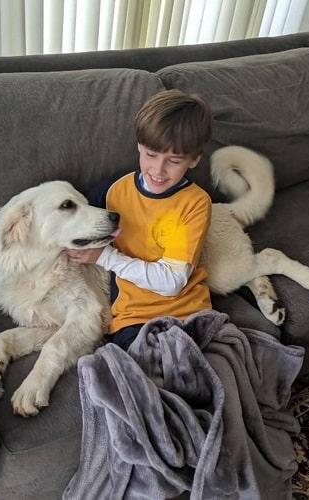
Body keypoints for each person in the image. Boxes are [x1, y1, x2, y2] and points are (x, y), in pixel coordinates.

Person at [65, 89, 213, 350]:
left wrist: (104, 256)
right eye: (151, 155)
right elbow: (73, 229)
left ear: (194, 160)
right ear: (139, 146)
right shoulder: (110, 193)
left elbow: (171, 283)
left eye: (174, 161)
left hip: (189, 313)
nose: (158, 170)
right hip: (132, 319)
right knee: (143, 376)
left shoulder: (194, 204)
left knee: (192, 375)